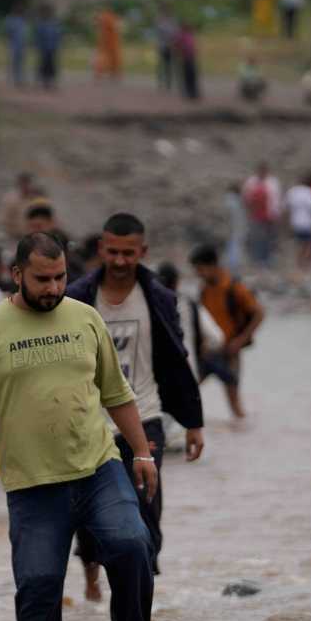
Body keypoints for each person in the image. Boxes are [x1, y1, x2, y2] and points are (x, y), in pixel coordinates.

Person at [0, 232, 157, 621]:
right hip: (33, 486)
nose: (53, 288)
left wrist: (143, 452)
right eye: (42, 279)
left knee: (133, 547)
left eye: (59, 277)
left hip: (98, 469)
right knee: (37, 585)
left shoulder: (85, 318)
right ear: (17, 275)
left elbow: (116, 393)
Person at [66, 213, 205, 595]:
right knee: (89, 510)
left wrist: (193, 421)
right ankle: (91, 573)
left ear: (143, 251)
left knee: (147, 506)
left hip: (144, 416)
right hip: (89, 422)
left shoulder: (158, 298)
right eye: (113, 252)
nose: (121, 260)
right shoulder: (77, 297)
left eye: (129, 253)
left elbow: (177, 360)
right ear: (101, 250)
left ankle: (142, 590)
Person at [189, 243, 262, 419]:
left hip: (230, 351)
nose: (198, 274)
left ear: (212, 265)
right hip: (209, 352)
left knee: (233, 400)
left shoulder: (234, 287)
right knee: (188, 390)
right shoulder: (204, 289)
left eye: (200, 269)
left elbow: (259, 313)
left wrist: (241, 340)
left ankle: (241, 431)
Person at [242, 163, 281, 268]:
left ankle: (269, 260)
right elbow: (246, 198)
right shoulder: (251, 182)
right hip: (255, 215)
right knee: (257, 237)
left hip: (270, 214)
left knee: (270, 238)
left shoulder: (272, 182)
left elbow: (276, 198)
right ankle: (257, 260)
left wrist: (276, 213)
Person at [286, 172, 311, 269]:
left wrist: (288, 222)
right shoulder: (310, 193)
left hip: (296, 223)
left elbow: (287, 208)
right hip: (307, 223)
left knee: (299, 244)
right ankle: (303, 264)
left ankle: (299, 262)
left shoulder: (292, 192)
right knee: (307, 245)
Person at [0, 171, 41, 242]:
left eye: (29, 183)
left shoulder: (37, 198)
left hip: (34, 237)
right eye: (24, 183)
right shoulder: (10, 199)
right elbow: (5, 220)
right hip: (15, 237)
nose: (27, 186)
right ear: (19, 184)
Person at [34, 5, 61, 91]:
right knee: (43, 65)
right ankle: (43, 82)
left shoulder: (54, 23)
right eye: (46, 12)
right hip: (44, 49)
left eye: (49, 12)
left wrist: (57, 45)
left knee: (52, 66)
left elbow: (57, 36)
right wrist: (38, 47)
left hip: (52, 48)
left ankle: (51, 83)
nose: (48, 14)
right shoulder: (40, 24)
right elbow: (38, 37)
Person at [223, 182, 247, 272]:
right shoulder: (232, 202)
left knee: (232, 247)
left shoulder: (232, 201)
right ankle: (232, 266)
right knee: (234, 248)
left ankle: (232, 265)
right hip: (234, 229)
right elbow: (234, 217)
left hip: (234, 229)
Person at [94, 8, 122, 81]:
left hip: (105, 41)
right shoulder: (110, 18)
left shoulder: (104, 17)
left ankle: (105, 72)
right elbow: (116, 28)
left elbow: (97, 24)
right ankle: (111, 72)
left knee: (105, 57)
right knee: (110, 57)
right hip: (110, 41)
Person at [4, 3, 29, 87]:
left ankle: (20, 79)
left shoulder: (23, 20)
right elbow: (7, 32)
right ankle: (11, 80)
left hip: (22, 45)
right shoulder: (10, 20)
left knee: (21, 63)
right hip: (13, 44)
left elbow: (25, 33)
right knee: (12, 62)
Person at [152, 9, 176, 91]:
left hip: (169, 47)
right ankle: (161, 83)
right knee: (162, 65)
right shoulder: (161, 23)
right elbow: (163, 33)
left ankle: (168, 83)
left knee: (168, 66)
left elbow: (174, 33)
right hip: (162, 47)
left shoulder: (170, 22)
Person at [176, 23, 199, 101]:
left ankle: (191, 93)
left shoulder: (184, 35)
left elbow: (177, 45)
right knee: (190, 76)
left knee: (189, 76)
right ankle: (192, 93)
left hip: (187, 58)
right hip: (189, 58)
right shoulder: (188, 35)